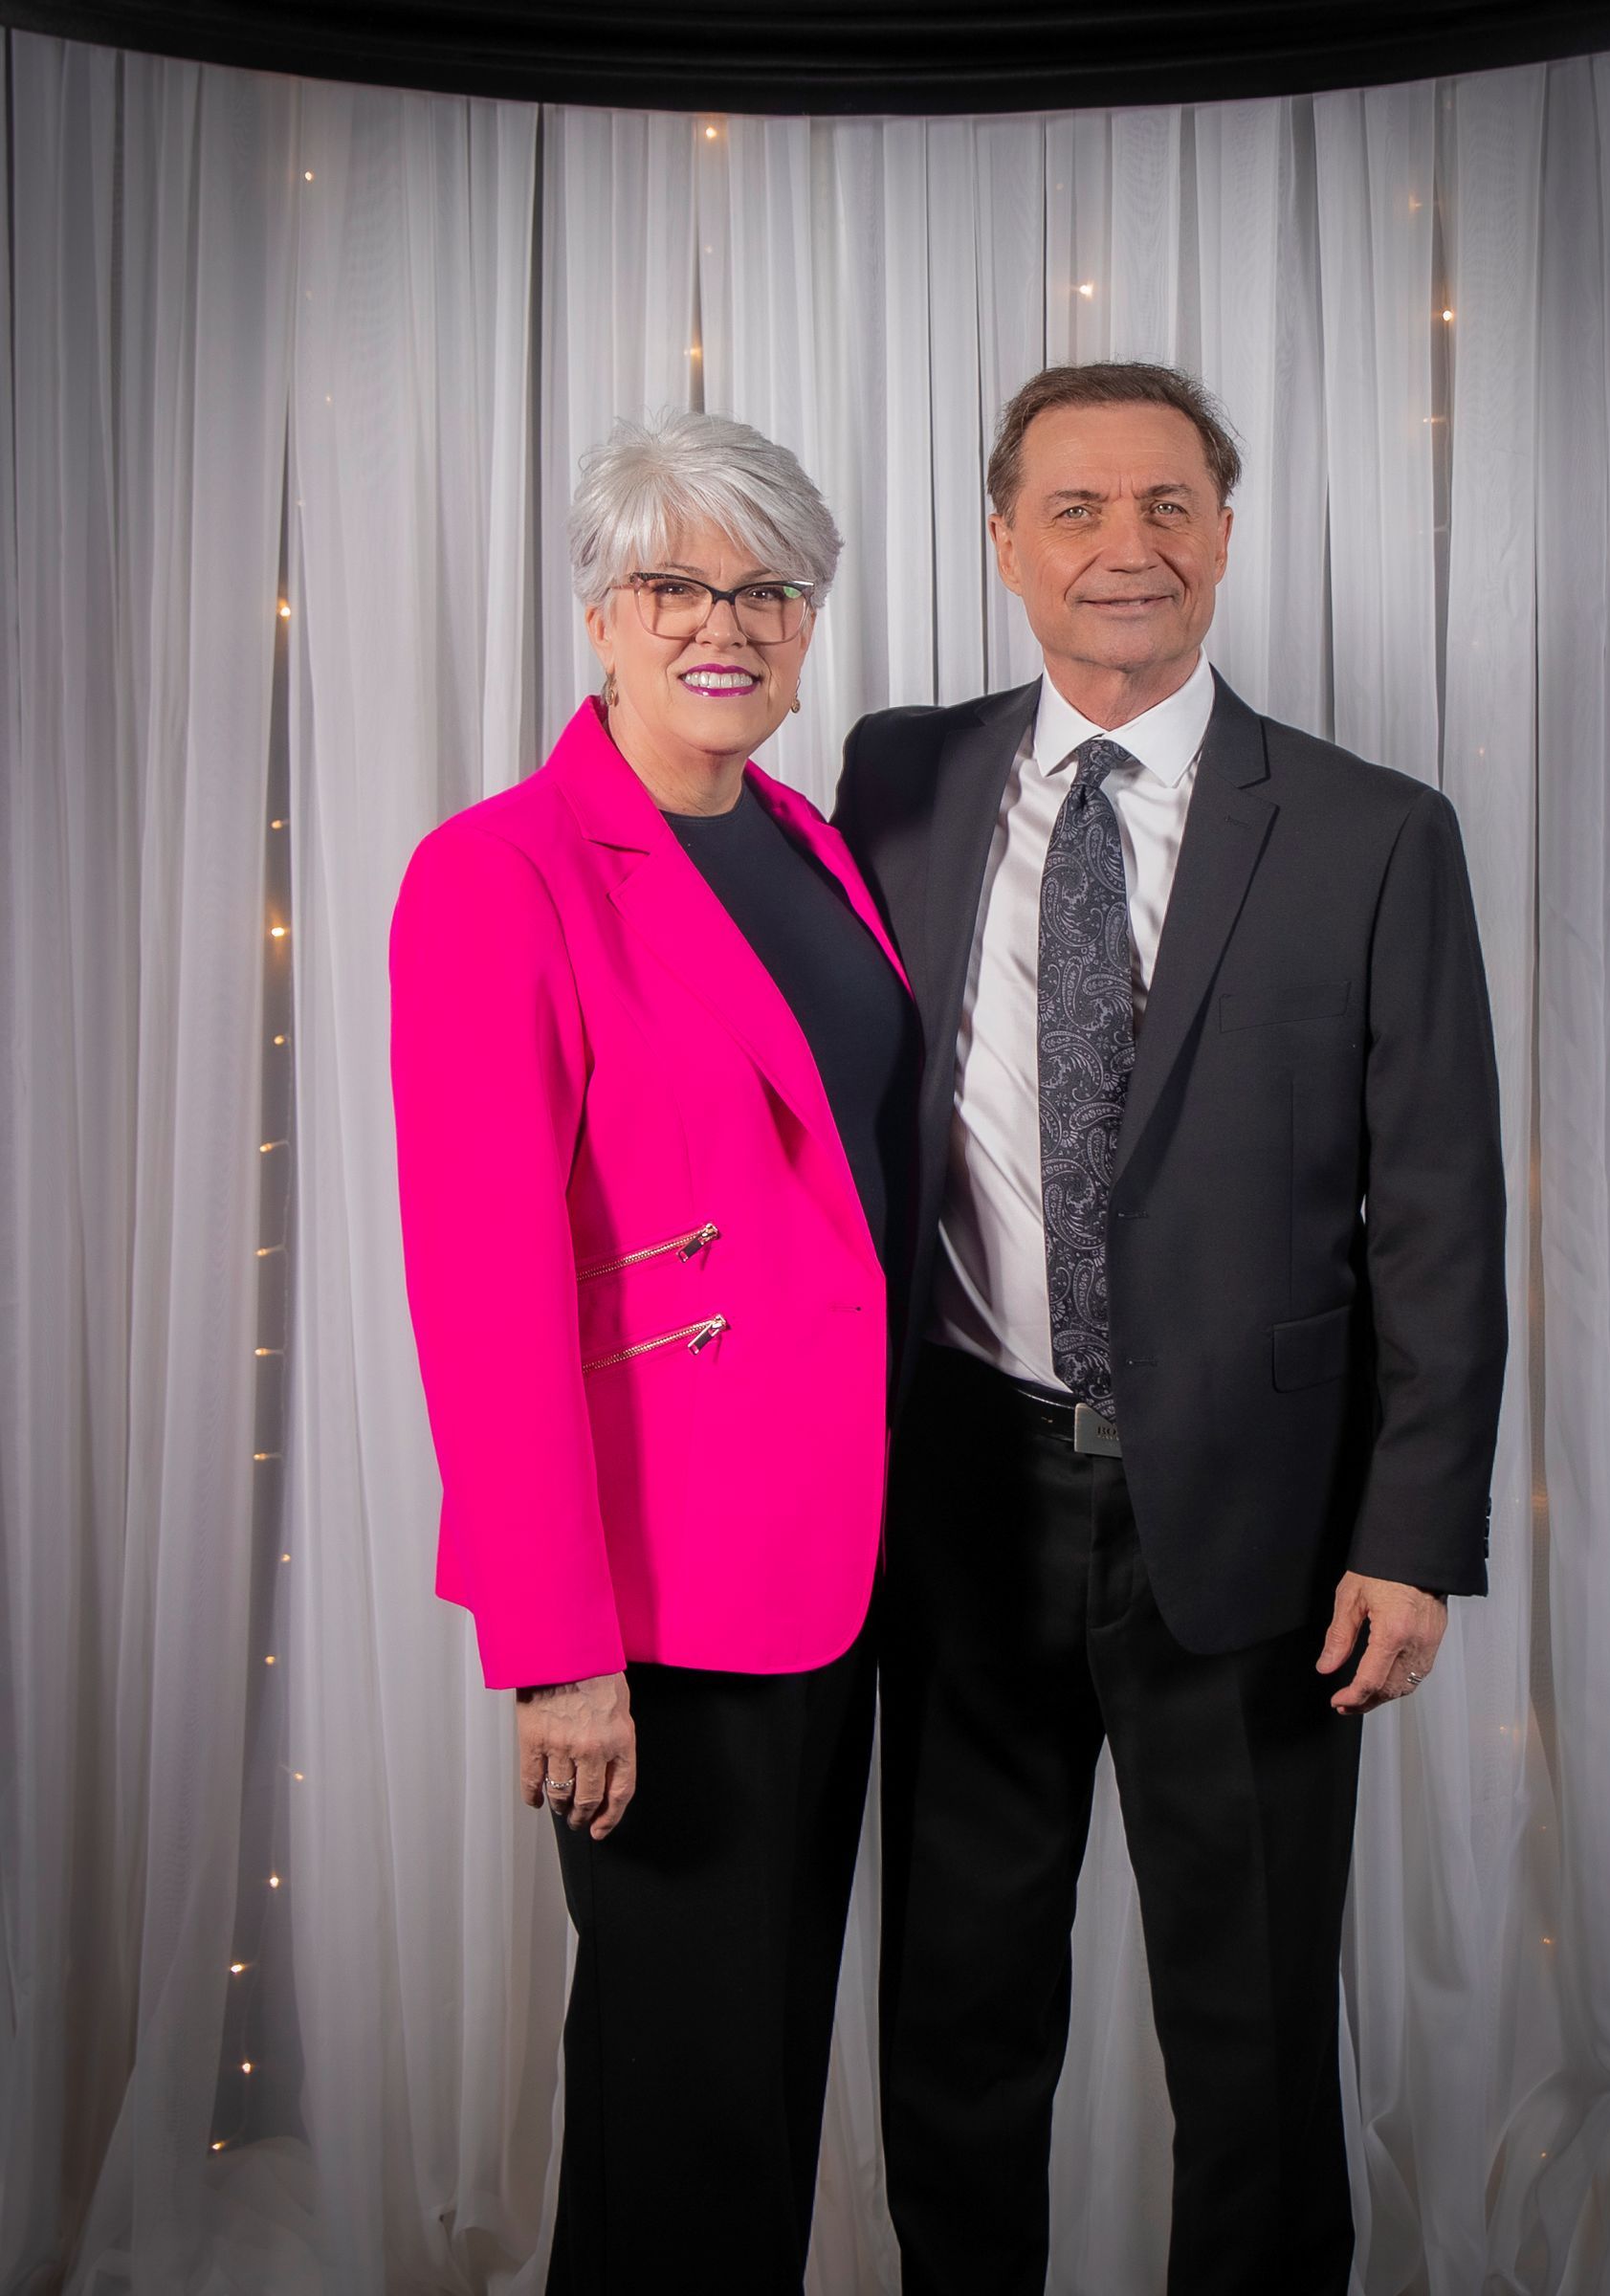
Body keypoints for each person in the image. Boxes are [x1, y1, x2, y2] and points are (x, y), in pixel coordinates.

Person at [832, 361, 1508, 2296]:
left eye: (1167, 507)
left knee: (1257, 2034)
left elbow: (1442, 1210)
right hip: (962, 1501)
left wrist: (1412, 1531)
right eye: (1075, 510)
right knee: (958, 2024)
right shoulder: (897, 775)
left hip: (1267, 1522)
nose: (1124, 548)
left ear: (1222, 533)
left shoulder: (1377, 832)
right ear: (1003, 543)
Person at [388, 409, 920, 2295]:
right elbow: (485, 1284)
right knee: (693, 2081)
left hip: (843, 1564)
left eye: (770, 586)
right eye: (677, 581)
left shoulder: (811, 847)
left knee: (730, 2069)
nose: (729, 621)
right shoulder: (501, 873)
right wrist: (557, 1649)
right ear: (602, 612)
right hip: (661, 1596)